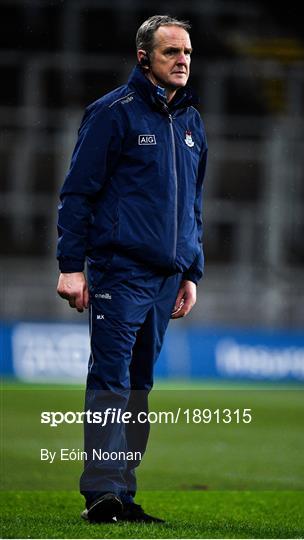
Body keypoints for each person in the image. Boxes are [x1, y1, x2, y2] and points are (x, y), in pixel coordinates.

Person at [57, 14, 207, 524]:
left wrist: (192, 271)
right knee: (111, 381)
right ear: (144, 58)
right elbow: (77, 193)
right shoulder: (112, 114)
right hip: (120, 273)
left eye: (186, 52)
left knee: (139, 386)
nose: (182, 60)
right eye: (171, 52)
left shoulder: (191, 122)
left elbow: (193, 204)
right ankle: (102, 493)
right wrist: (70, 266)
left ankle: (123, 490)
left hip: (167, 281)